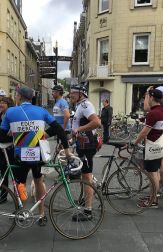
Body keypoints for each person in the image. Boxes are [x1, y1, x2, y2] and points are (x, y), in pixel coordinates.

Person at [0, 86, 71, 226]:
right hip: (38, 155)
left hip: (20, 155)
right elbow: (59, 130)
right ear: (31, 98)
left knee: (20, 183)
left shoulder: (10, 112)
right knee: (39, 182)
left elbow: (1, 137)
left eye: (16, 95)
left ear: (19, 97)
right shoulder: (41, 111)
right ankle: (41, 214)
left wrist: (14, 135)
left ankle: (20, 210)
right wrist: (66, 150)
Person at [70, 84, 101, 221]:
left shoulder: (85, 105)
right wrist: (72, 138)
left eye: (73, 94)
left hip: (87, 145)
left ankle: (88, 211)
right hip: (83, 144)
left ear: (81, 94)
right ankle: (85, 200)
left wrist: (79, 129)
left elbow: (96, 122)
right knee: (84, 176)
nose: (71, 96)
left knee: (87, 177)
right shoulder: (80, 106)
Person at [134, 88, 163, 209]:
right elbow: (147, 109)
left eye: (148, 97)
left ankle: (153, 201)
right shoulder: (161, 110)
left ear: (152, 98)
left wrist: (135, 142)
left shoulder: (154, 113)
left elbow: (143, 133)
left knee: (153, 174)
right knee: (156, 173)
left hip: (152, 146)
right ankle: (153, 196)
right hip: (158, 145)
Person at [0, 97, 15, 205]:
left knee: (15, 174)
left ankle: (17, 197)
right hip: (0, 149)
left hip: (11, 149)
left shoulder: (14, 117)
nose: (1, 104)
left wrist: (13, 129)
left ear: (9, 105)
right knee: (3, 174)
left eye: (4, 103)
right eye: (0, 102)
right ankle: (3, 196)